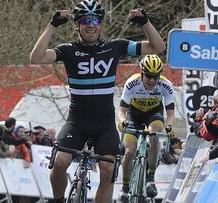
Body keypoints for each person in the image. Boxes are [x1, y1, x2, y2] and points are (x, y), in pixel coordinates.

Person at [29, 0, 165, 202]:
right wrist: (52, 25)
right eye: (85, 20)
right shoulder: (68, 50)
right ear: (77, 25)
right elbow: (36, 57)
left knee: (108, 169)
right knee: (59, 162)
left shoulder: (115, 47)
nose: (90, 25)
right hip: (77, 121)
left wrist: (145, 22)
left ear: (100, 24)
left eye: (94, 20)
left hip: (104, 124)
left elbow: (158, 47)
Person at [117, 54, 175, 200]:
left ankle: (150, 178)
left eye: (155, 77)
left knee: (155, 135)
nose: (152, 80)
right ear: (142, 73)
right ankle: (124, 189)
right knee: (130, 151)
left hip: (154, 114)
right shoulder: (132, 83)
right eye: (148, 76)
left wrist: (168, 126)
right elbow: (122, 110)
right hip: (133, 114)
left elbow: (171, 114)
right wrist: (123, 121)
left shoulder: (166, 85)